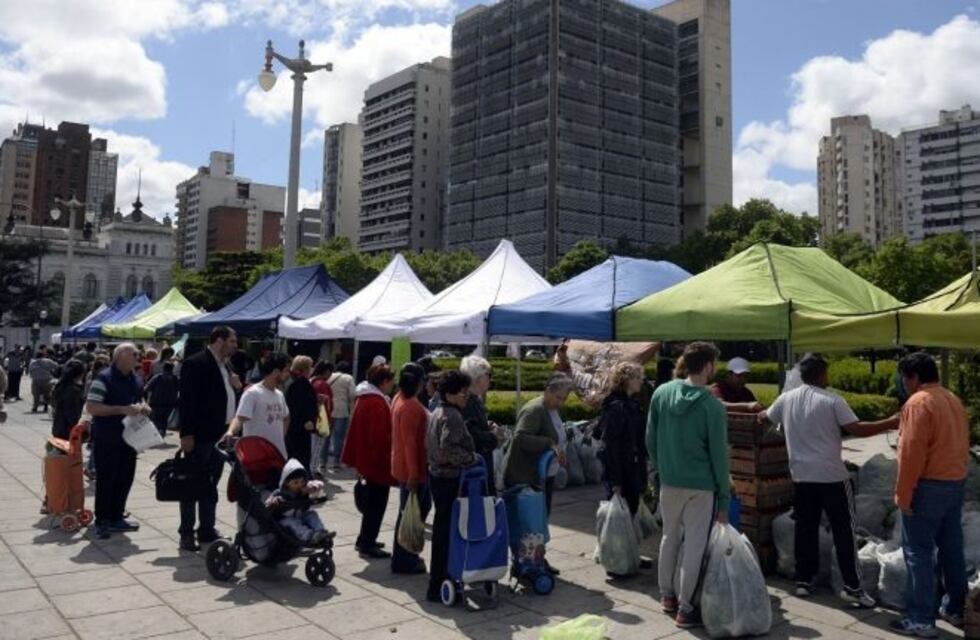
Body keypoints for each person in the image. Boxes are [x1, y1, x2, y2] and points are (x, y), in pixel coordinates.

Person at [759, 355, 897, 608]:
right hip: (832, 477)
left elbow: (765, 418)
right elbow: (857, 429)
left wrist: (756, 412)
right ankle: (852, 587)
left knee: (805, 527)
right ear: (822, 374)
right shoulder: (832, 400)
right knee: (844, 530)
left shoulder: (786, 399)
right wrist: (892, 421)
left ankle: (804, 580)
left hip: (801, 476)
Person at [647, 342, 730, 629]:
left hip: (669, 481)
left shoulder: (661, 393)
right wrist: (724, 497)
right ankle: (685, 607)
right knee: (694, 545)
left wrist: (663, 468)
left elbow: (650, 439)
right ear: (707, 366)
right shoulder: (712, 406)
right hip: (700, 486)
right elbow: (719, 457)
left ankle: (667, 596)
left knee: (668, 537)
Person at [889, 353, 971, 637]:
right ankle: (956, 608)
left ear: (912, 377)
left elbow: (911, 454)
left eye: (904, 378)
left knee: (918, 553)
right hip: (954, 483)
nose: (903, 383)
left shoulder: (918, 403)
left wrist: (903, 495)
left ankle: (921, 618)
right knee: (951, 549)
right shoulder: (952, 399)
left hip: (927, 487)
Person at [178, 326, 240, 552]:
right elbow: (187, 401)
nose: (235, 346)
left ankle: (207, 528)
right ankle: (186, 532)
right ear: (219, 340)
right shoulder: (196, 363)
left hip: (220, 434)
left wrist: (237, 388)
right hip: (200, 435)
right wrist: (186, 434)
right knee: (192, 484)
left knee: (211, 484)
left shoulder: (226, 365)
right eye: (232, 341)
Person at [84, 343, 148, 539]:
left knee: (125, 478)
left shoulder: (136, 378)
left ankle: (117, 516)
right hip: (108, 438)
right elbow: (92, 407)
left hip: (130, 438)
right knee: (107, 480)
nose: (138, 356)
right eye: (134, 353)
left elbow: (141, 399)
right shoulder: (104, 378)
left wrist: (144, 407)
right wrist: (122, 409)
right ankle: (102, 520)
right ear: (120, 356)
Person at [426, 370, 477, 602]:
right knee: (446, 533)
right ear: (450, 394)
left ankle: (438, 579)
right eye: (463, 392)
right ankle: (440, 581)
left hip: (437, 476)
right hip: (449, 479)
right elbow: (448, 450)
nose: (466, 396)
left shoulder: (437, 411)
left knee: (441, 530)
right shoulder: (452, 416)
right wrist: (471, 458)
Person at [341, 364, 396, 559]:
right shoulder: (376, 402)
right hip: (377, 462)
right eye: (391, 381)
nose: (393, 384)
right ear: (384, 381)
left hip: (368, 460)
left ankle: (365, 538)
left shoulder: (366, 397)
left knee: (372, 504)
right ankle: (367, 542)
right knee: (376, 505)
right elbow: (379, 437)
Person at [390, 362, 432, 574]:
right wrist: (414, 476)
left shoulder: (399, 398)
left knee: (409, 513)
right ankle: (405, 558)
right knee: (412, 514)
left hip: (403, 465)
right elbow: (411, 445)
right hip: (412, 469)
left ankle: (405, 556)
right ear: (419, 383)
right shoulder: (411, 407)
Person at [598, 362, 648, 518]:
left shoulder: (631, 405)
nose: (641, 380)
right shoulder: (617, 407)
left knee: (629, 513)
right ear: (626, 380)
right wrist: (616, 481)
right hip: (622, 472)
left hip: (631, 470)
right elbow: (610, 446)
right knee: (622, 516)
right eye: (637, 377)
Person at [225, 352, 291, 459]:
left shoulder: (279, 395)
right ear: (276, 372)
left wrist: (280, 438)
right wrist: (230, 432)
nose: (289, 374)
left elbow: (286, 417)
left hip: (277, 455)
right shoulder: (253, 393)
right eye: (286, 370)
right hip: (255, 458)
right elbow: (240, 418)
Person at [460, 355, 505, 493]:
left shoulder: (474, 399)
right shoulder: (467, 401)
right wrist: (493, 436)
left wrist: (489, 425)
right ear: (477, 377)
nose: (490, 379)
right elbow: (471, 434)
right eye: (488, 375)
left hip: (480, 462)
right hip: (475, 467)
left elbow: (476, 425)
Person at [265, 458, 334, 545]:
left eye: (302, 481)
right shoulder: (280, 493)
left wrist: (312, 488)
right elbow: (267, 504)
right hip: (284, 521)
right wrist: (273, 502)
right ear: (286, 483)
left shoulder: (303, 489)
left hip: (299, 516)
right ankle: (309, 536)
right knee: (291, 522)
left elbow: (319, 484)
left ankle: (321, 532)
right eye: (296, 483)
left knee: (311, 514)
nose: (299, 485)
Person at [284, 356, 318, 471]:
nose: (311, 370)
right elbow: (301, 405)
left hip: (294, 427)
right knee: (301, 458)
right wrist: (310, 419)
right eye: (310, 367)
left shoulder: (292, 381)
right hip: (301, 428)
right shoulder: (301, 384)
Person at [326, 361, 356, 470]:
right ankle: (336, 462)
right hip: (342, 411)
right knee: (339, 437)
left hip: (329, 410)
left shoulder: (329, 376)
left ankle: (322, 461)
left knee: (326, 436)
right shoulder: (349, 378)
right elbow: (353, 394)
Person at [309, 360, 335, 478]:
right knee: (317, 447)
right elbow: (326, 405)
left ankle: (312, 468)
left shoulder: (311, 381)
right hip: (321, 418)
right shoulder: (322, 384)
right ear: (327, 371)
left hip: (311, 418)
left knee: (312, 446)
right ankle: (313, 470)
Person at [51, 359, 87, 440]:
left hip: (59, 427)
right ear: (81, 374)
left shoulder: (61, 386)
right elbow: (71, 414)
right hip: (68, 430)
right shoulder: (73, 390)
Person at [145, 361, 180, 438]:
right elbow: (179, 389)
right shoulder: (175, 378)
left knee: (156, 419)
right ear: (172, 369)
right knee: (165, 419)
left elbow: (147, 388)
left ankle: (157, 434)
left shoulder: (157, 377)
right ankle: (162, 432)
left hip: (156, 402)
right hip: (170, 403)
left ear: (163, 368)